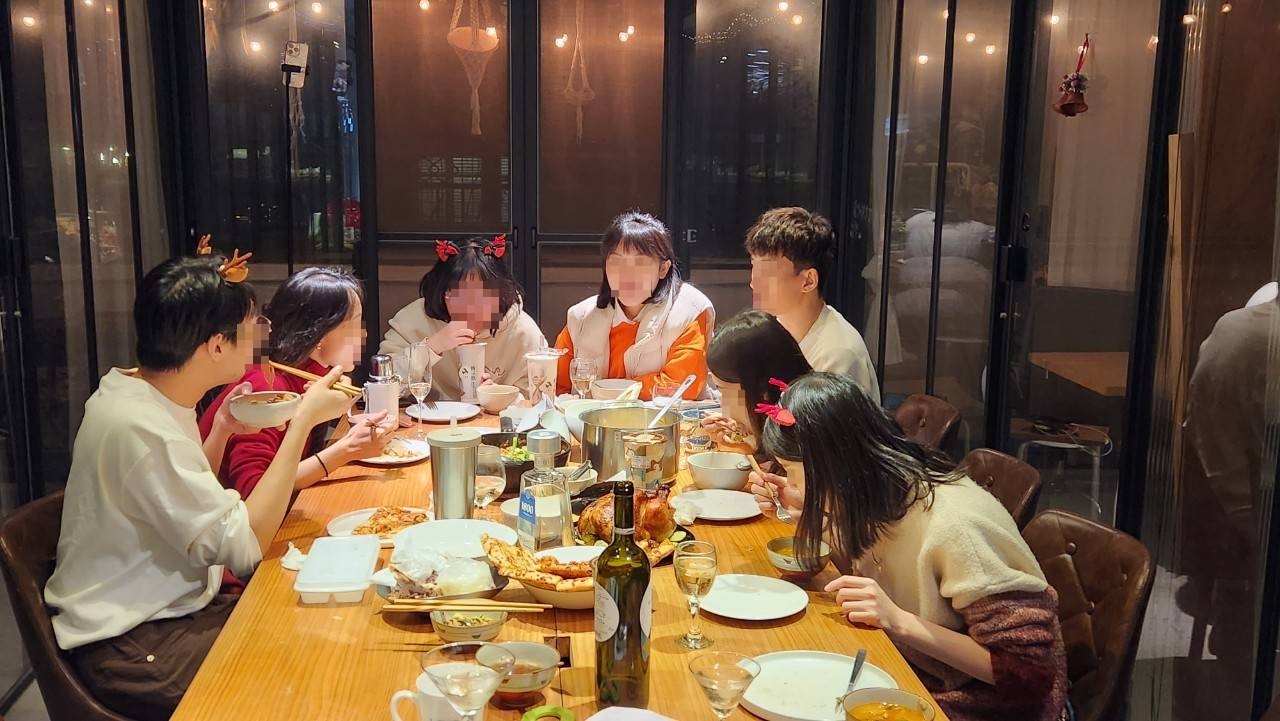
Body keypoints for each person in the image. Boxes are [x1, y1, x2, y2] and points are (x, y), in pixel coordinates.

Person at [44, 253, 354, 721]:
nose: (262, 333)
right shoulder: (141, 427)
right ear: (216, 346)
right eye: (252, 325)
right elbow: (245, 546)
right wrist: (302, 421)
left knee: (327, 624)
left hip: (176, 609)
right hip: (134, 639)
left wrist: (221, 430)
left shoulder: (143, 392)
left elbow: (181, 499)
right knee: (316, 679)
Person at [751, 373, 1068, 721]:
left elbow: (1029, 674)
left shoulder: (953, 524)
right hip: (900, 665)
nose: (791, 481)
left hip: (976, 704)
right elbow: (865, 564)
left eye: (792, 470)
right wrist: (807, 515)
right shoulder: (877, 495)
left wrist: (897, 620)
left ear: (835, 463)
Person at [198, 266, 386, 498]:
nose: (364, 334)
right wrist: (346, 449)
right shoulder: (267, 385)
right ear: (319, 332)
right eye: (354, 324)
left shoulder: (308, 374)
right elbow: (255, 489)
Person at [555, 211, 714, 400]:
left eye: (640, 263)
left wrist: (610, 391)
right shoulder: (581, 317)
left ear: (663, 269)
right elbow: (558, 385)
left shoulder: (689, 311)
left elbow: (682, 386)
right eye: (616, 262)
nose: (627, 275)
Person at [379, 235, 547, 399]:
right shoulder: (413, 319)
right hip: (429, 416)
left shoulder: (522, 331)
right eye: (461, 295)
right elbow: (382, 384)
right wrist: (430, 347)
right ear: (442, 291)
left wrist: (500, 397)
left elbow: (539, 399)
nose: (472, 307)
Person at [744, 207, 880, 402]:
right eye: (754, 267)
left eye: (766, 272)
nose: (754, 282)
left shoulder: (838, 355)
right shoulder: (774, 328)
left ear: (808, 281)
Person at [701, 310, 812, 457]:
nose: (723, 406)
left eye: (723, 391)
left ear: (762, 389)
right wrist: (743, 444)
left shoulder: (805, 438)